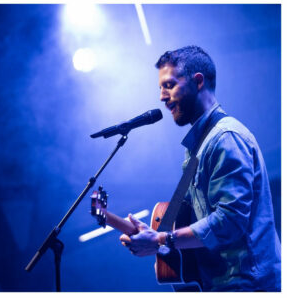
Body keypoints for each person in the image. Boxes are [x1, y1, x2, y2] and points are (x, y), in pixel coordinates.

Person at [119, 46, 281, 292]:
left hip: (249, 285)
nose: (162, 96)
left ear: (197, 82)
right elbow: (176, 214)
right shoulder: (197, 148)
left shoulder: (225, 137)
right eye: (160, 88)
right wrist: (153, 236)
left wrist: (162, 239)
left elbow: (231, 220)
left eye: (169, 85)